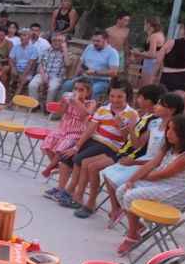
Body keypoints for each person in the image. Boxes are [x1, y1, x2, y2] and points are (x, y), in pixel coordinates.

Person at [115, 115, 185, 255]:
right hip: (161, 184)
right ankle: (137, 226)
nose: (168, 133)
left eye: (174, 130)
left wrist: (140, 178)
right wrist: (132, 179)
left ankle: (132, 236)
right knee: (122, 190)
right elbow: (152, 164)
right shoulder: (169, 146)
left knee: (131, 195)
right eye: (168, 129)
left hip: (176, 192)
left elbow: (161, 174)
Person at [55, 78, 138, 214]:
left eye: (120, 97)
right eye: (112, 96)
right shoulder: (103, 109)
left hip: (112, 145)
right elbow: (90, 130)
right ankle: (69, 191)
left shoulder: (132, 114)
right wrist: (77, 146)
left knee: (83, 161)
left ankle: (77, 195)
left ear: (127, 96)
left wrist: (121, 125)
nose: (115, 100)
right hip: (96, 140)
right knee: (71, 155)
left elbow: (127, 140)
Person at [104, 89, 179, 228]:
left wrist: (134, 162)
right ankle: (117, 209)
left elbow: (163, 159)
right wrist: (131, 127)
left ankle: (129, 217)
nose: (156, 107)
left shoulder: (174, 130)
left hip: (154, 164)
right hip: (144, 159)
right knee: (108, 172)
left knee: (119, 182)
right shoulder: (154, 123)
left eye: (161, 105)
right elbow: (138, 144)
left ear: (172, 110)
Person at [40, 78, 97, 183]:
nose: (77, 92)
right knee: (48, 144)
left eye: (81, 90)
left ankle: (50, 167)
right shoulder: (69, 98)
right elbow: (61, 112)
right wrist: (63, 102)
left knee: (61, 149)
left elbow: (85, 115)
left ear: (88, 92)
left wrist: (76, 102)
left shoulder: (90, 103)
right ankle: (56, 165)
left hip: (77, 132)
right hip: (63, 128)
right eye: (75, 89)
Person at [60, 30, 120, 98]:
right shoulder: (89, 47)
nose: (95, 43)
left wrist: (95, 72)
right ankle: (63, 106)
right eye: (93, 40)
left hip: (102, 80)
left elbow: (114, 72)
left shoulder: (112, 53)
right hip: (85, 78)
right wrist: (76, 75)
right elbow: (81, 62)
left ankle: (88, 107)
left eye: (98, 41)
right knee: (67, 84)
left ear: (106, 40)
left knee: (93, 90)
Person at [158, 20, 185, 114]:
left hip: (168, 76)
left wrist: (158, 72)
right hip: (184, 78)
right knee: (177, 107)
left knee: (163, 104)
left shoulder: (171, 43)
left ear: (184, 30)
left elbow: (158, 60)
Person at [28, 33, 68, 106]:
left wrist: (64, 50)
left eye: (59, 41)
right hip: (43, 74)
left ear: (63, 42)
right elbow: (40, 64)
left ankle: (48, 106)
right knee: (32, 85)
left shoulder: (66, 53)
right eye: (54, 40)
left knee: (52, 88)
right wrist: (44, 76)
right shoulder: (46, 50)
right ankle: (34, 105)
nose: (56, 42)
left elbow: (67, 64)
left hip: (57, 77)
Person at [131, 17, 165, 87]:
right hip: (152, 63)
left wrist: (137, 53)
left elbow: (152, 54)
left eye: (145, 24)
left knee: (145, 87)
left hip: (151, 63)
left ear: (149, 25)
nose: (144, 26)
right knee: (144, 85)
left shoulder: (154, 36)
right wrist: (141, 53)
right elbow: (154, 51)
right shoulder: (159, 34)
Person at [9, 28, 39, 94]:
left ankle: (14, 99)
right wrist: (13, 68)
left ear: (29, 37)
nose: (22, 37)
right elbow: (11, 59)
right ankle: (9, 95)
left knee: (22, 81)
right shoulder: (15, 47)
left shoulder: (33, 49)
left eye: (25, 35)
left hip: (27, 71)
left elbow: (30, 64)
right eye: (21, 35)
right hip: (17, 70)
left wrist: (23, 75)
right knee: (11, 76)